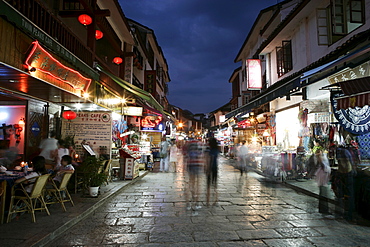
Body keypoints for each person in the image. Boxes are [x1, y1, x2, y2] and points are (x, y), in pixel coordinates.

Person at [336, 145, 356, 221]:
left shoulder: (341, 152)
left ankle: (346, 213)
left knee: (345, 195)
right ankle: (348, 213)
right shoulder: (345, 152)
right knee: (349, 194)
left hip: (344, 174)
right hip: (347, 174)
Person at [184, 139, 204, 210]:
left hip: (190, 164)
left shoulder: (188, 144)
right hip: (198, 165)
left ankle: (188, 203)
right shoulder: (200, 144)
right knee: (198, 184)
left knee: (190, 182)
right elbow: (201, 155)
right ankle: (196, 202)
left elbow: (185, 155)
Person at [312, 149, 331, 213]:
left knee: (323, 192)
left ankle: (322, 208)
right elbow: (322, 164)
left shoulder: (319, 157)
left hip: (322, 175)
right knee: (323, 192)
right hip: (323, 175)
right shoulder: (319, 158)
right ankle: (324, 209)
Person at [206, 137, 219, 206]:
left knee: (208, 185)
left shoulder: (209, 151)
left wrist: (207, 168)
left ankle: (208, 200)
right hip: (215, 168)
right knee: (214, 184)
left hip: (210, 168)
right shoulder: (216, 150)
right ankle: (215, 199)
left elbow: (209, 160)